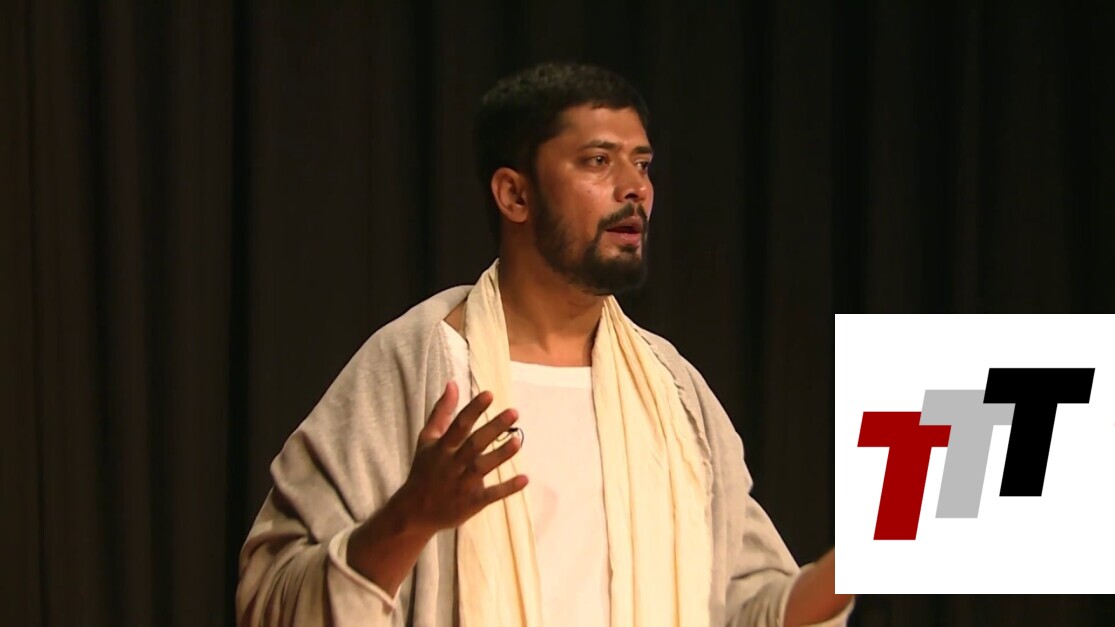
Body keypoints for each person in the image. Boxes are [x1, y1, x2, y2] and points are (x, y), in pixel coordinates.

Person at [236, 62, 854, 627]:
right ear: (515, 194)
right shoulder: (421, 364)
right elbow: (270, 598)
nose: (635, 188)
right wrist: (411, 516)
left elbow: (745, 610)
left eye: (642, 164)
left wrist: (870, 551)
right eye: (598, 161)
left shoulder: (675, 392)